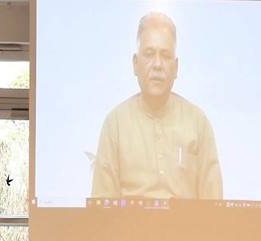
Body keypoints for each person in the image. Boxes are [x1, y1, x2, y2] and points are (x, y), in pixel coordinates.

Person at [91, 11, 222, 199]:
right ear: (135, 64)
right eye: (149, 54)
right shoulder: (115, 123)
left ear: (176, 67)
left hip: (187, 220)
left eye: (165, 55)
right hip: (128, 219)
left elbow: (214, 206)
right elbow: (101, 205)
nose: (157, 65)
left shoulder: (198, 122)